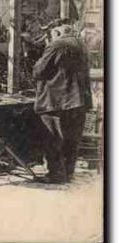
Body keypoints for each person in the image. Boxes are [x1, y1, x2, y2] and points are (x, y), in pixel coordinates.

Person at [32, 21, 92, 184]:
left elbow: (39, 71)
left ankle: (56, 175)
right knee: (72, 139)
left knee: (53, 138)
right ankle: (68, 173)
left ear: (57, 33)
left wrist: (45, 50)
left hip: (57, 101)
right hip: (78, 100)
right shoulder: (81, 44)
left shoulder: (56, 45)